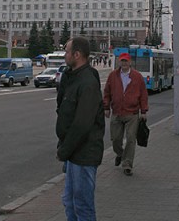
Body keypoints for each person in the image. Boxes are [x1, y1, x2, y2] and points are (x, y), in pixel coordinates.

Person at [56, 37, 105, 221]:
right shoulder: (73, 77)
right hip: (73, 153)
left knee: (82, 205)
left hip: (84, 154)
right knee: (69, 201)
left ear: (77, 55)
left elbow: (82, 123)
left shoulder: (87, 83)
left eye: (67, 51)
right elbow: (63, 108)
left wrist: (64, 150)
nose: (64, 54)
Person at [103, 52, 148, 176]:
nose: (124, 63)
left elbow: (143, 95)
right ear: (119, 62)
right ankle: (120, 154)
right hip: (117, 112)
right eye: (122, 61)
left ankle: (127, 164)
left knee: (131, 139)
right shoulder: (113, 76)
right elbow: (106, 92)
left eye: (126, 61)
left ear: (130, 62)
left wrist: (143, 111)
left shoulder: (137, 77)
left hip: (132, 113)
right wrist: (106, 107)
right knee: (116, 139)